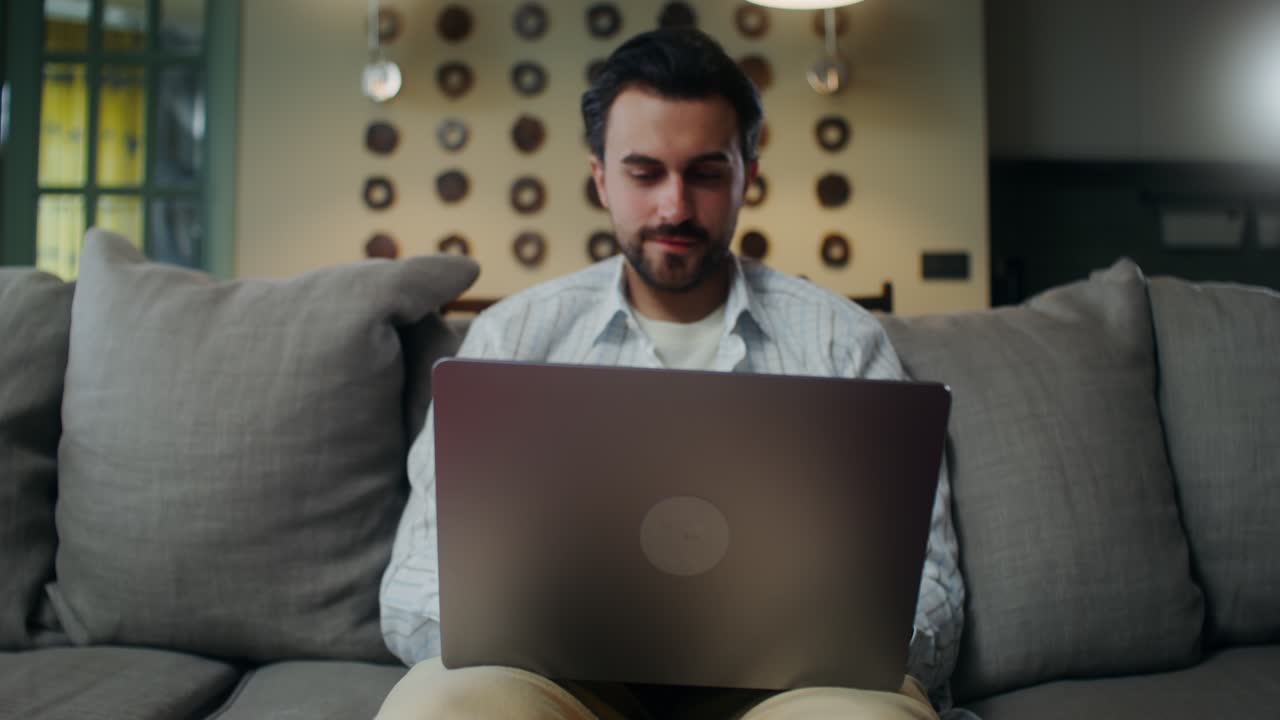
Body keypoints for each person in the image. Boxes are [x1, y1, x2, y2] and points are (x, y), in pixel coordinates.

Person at [378, 27, 965, 720]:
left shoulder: (844, 341)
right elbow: (411, 587)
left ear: (748, 171)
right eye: (644, 172)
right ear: (600, 176)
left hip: (792, 687)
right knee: (438, 707)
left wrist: (853, 635)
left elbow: (931, 585)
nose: (675, 207)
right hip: (564, 684)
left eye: (706, 172)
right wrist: (529, 622)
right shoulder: (513, 336)